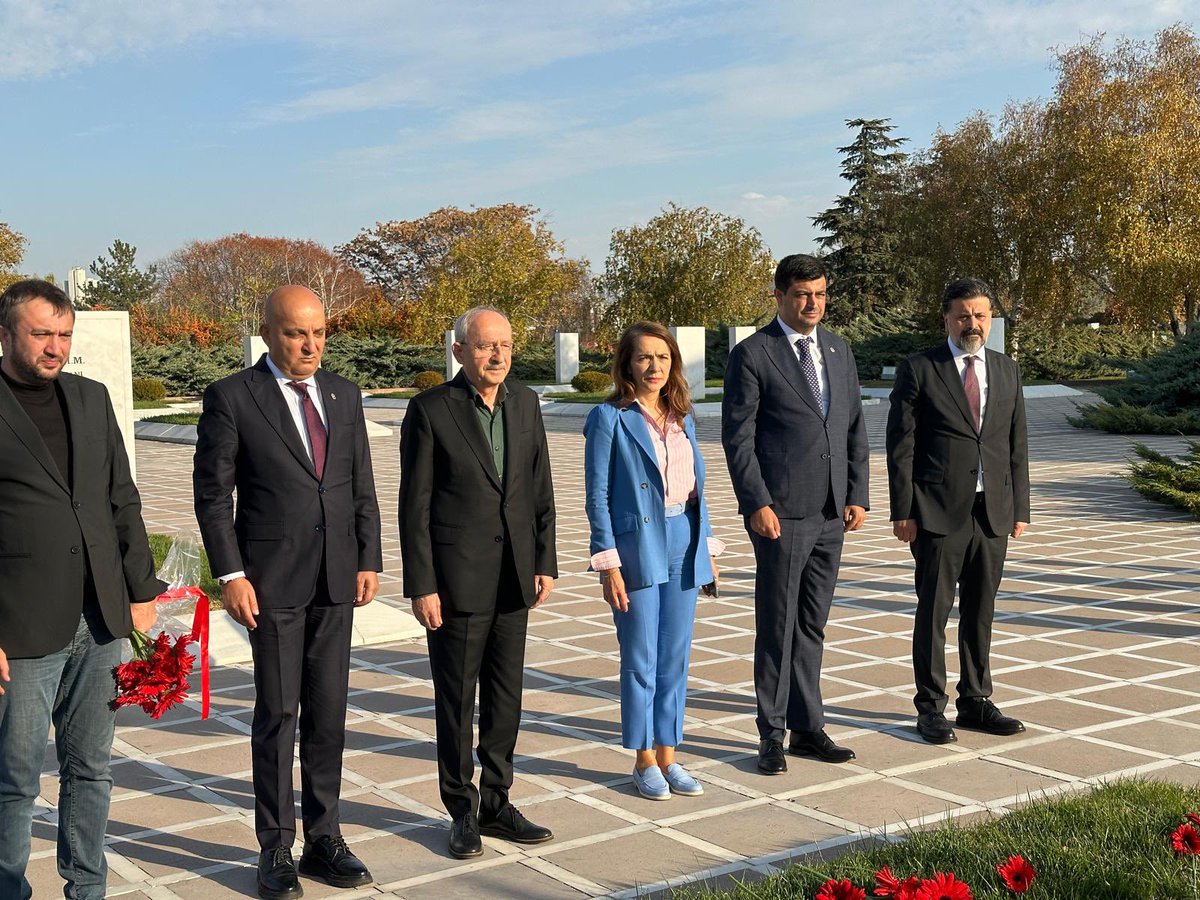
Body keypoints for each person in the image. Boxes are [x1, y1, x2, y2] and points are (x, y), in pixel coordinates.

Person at [193, 285, 382, 899]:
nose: (310, 345)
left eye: (320, 333)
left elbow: (359, 485)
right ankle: (275, 845)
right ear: (269, 333)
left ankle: (325, 837)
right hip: (270, 583)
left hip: (336, 578)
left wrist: (368, 557)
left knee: (328, 712)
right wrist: (232, 574)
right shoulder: (232, 397)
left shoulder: (343, 395)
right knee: (278, 713)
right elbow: (213, 495)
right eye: (297, 333)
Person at [0, 279, 165, 900]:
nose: (55, 347)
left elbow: (121, 497)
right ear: (6, 332)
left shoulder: (90, 399)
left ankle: (86, 889)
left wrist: (140, 587)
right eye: (41, 334)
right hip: (20, 624)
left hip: (99, 618)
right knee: (14, 778)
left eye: (64, 335)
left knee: (91, 768)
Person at [398, 306, 557, 859]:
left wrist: (545, 560)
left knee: (506, 697)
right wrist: (422, 585)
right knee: (457, 700)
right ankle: (460, 809)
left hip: (515, 575)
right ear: (460, 351)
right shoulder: (431, 410)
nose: (498, 356)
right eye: (487, 346)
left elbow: (540, 488)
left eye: (506, 346)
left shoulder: (526, 402)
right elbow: (413, 505)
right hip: (456, 581)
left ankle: (497, 800)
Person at [722, 254, 870, 774]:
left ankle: (809, 727)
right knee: (778, 625)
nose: (814, 304)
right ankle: (772, 732)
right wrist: (756, 503)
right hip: (781, 514)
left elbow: (853, 428)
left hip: (832, 512)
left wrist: (858, 493)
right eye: (804, 295)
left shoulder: (838, 349)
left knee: (812, 623)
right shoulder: (754, 354)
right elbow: (738, 439)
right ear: (780, 297)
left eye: (822, 294)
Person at [885, 277, 1030, 745]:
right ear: (946, 318)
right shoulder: (921, 368)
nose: (972, 323)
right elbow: (900, 445)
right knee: (934, 612)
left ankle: (976, 701)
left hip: (993, 513)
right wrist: (903, 510)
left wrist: (1019, 507)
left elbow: (1016, 445)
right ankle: (930, 708)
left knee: (981, 610)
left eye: (980, 315)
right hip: (936, 512)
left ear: (991, 319)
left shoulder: (1006, 370)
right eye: (963, 315)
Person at [583, 322, 723, 800]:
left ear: (673, 364)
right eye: (643, 358)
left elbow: (697, 487)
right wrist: (608, 563)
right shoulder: (609, 418)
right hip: (637, 544)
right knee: (641, 655)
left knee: (676, 656)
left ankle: (670, 753)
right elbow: (597, 495)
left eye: (662, 358)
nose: (654, 367)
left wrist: (705, 546)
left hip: (683, 537)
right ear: (626, 364)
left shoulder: (682, 415)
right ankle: (643, 759)